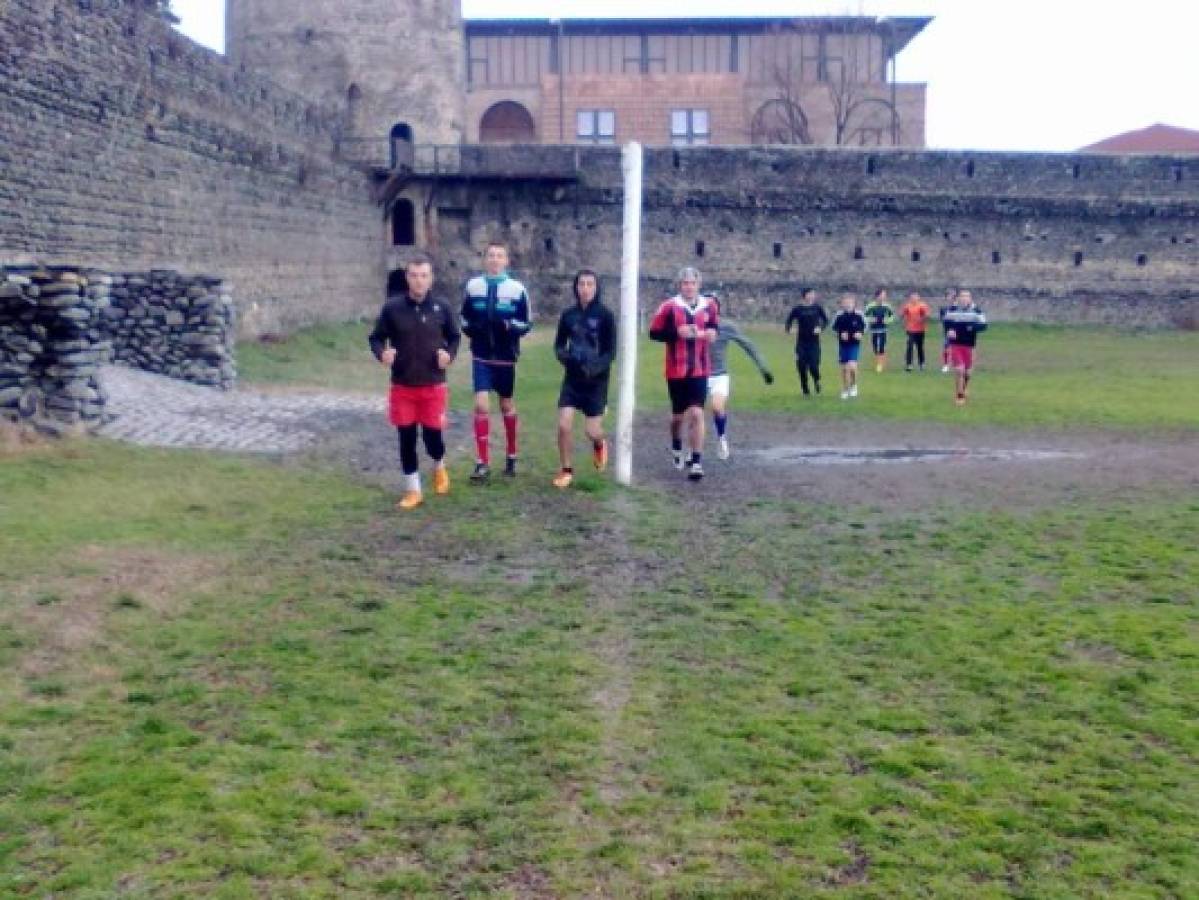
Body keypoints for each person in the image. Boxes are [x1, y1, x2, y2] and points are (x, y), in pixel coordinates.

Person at [368, 256, 460, 511]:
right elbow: (376, 339)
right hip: (403, 386)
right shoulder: (392, 308)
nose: (419, 281)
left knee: (433, 439)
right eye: (414, 275)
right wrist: (382, 354)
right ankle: (413, 490)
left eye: (424, 275)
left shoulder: (442, 307)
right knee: (406, 438)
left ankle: (439, 465)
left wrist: (449, 355)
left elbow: (454, 337)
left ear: (431, 279)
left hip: (433, 386)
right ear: (407, 278)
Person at [459, 241, 531, 482]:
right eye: (491, 255)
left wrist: (510, 326)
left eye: (500, 256)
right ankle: (482, 463)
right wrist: (471, 329)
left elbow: (527, 322)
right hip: (480, 355)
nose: (495, 260)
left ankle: (511, 455)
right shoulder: (473, 286)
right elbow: (464, 317)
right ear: (485, 259)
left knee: (506, 406)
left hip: (505, 357)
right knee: (481, 405)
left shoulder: (517, 289)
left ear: (506, 261)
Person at [648, 267, 719, 481]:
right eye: (685, 283)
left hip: (700, 368)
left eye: (693, 283)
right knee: (678, 417)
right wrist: (675, 334)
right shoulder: (669, 307)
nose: (689, 287)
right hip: (676, 370)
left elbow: (715, 328)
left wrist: (710, 334)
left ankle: (696, 462)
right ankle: (677, 445)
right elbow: (654, 333)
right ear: (680, 285)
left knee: (697, 413)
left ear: (699, 285)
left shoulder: (710, 306)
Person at [552, 269, 616, 489]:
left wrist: (596, 368)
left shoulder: (606, 315)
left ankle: (600, 443)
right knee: (563, 425)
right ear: (576, 287)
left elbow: (610, 352)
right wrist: (565, 358)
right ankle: (566, 469)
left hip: (596, 381)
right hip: (573, 379)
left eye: (590, 284)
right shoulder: (568, 315)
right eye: (582, 284)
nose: (585, 288)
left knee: (591, 431)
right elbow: (559, 345)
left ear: (596, 288)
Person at [708, 299, 773, 461]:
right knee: (691, 412)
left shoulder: (726, 326)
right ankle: (691, 448)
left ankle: (721, 438)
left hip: (718, 375)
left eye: (713, 307)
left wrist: (763, 367)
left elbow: (748, 345)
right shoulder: (694, 325)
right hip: (696, 374)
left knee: (717, 407)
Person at [943, 289, 988, 406]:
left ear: (970, 299)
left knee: (967, 372)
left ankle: (964, 388)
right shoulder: (952, 310)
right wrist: (949, 330)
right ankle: (959, 395)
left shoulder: (976, 311)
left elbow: (984, 325)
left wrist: (971, 327)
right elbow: (946, 322)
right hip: (956, 344)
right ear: (958, 299)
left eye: (966, 296)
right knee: (959, 370)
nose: (964, 298)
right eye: (962, 296)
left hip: (970, 345)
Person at [784, 288, 828, 396]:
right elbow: (789, 321)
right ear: (804, 296)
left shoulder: (817, 308)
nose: (812, 296)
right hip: (801, 343)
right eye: (810, 294)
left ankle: (817, 380)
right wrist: (789, 329)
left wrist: (820, 328)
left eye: (813, 294)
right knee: (801, 366)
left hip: (814, 343)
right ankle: (805, 388)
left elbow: (826, 321)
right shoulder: (798, 309)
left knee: (813, 366)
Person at [831, 294, 865, 400]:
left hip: (854, 344)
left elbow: (865, 326)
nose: (847, 304)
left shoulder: (859, 315)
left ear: (854, 303)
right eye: (845, 303)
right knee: (845, 368)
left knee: (852, 366)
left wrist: (860, 333)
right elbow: (834, 327)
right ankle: (845, 389)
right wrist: (840, 333)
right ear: (842, 304)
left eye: (850, 303)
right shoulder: (839, 315)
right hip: (843, 345)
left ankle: (854, 385)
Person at [863, 288, 895, 373]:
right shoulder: (870, 306)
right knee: (875, 347)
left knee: (881, 346)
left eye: (884, 295)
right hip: (873, 330)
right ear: (877, 296)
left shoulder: (887, 306)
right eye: (882, 295)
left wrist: (887, 320)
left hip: (883, 329)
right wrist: (871, 319)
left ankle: (880, 365)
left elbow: (892, 317)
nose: (883, 297)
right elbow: (864, 317)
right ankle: (878, 361)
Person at [898, 290, 932, 372]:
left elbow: (928, 315)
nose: (914, 298)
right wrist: (903, 321)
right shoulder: (907, 306)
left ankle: (921, 363)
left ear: (918, 297)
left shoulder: (922, 305)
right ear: (910, 298)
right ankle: (909, 364)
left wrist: (923, 319)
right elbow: (902, 314)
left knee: (920, 347)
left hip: (920, 329)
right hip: (910, 329)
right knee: (909, 345)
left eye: (915, 296)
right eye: (912, 297)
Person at [938, 288, 958, 374]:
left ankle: (958, 364)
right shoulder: (944, 309)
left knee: (957, 348)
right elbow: (943, 320)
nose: (950, 297)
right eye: (948, 295)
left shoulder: (958, 308)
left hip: (958, 331)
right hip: (947, 331)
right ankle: (946, 365)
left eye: (952, 295)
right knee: (946, 348)